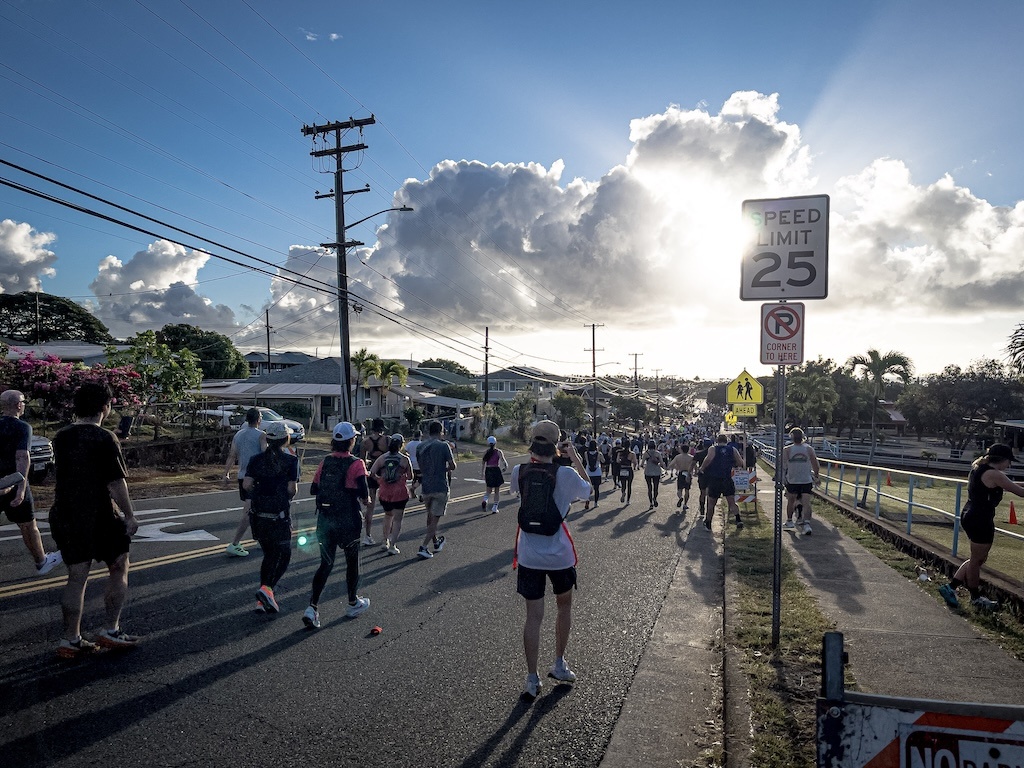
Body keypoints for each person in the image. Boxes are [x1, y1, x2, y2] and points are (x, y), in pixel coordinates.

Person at [49, 383, 139, 658]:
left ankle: (70, 639)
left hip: (65, 511)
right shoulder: (105, 438)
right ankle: (110, 630)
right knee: (119, 565)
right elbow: (115, 482)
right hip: (98, 513)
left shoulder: (61, 436)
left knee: (77, 576)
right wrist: (130, 514)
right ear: (105, 406)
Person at [510, 420, 593, 699]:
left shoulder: (518, 472)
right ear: (557, 443)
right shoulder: (567, 473)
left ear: (532, 441)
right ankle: (558, 663)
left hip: (529, 555)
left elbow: (518, 494)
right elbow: (589, 490)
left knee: (533, 617)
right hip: (559, 556)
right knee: (564, 607)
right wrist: (576, 458)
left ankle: (531, 679)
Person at [938, 443, 1024, 610]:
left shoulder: (982, 469)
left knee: (977, 559)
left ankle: (952, 587)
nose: (1010, 465)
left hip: (971, 514)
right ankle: (975, 597)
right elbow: (1019, 492)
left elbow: (1011, 484)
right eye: (1009, 461)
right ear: (1002, 460)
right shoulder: (994, 474)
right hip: (980, 519)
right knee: (977, 561)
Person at [303, 422, 371, 629]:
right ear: (352, 441)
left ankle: (312, 607)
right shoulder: (357, 463)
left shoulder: (325, 461)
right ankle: (352, 602)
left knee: (326, 563)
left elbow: (314, 489)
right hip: (348, 520)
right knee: (352, 562)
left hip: (325, 519)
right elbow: (365, 494)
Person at [0, 389, 62, 576]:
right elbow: (22, 457)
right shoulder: (22, 427)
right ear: (18, 405)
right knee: (28, 524)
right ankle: (41, 560)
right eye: (23, 401)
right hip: (13, 481)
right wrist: (20, 489)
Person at [243, 421, 299, 614]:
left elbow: (246, 484)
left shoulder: (256, 460)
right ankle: (267, 589)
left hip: (259, 515)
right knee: (284, 555)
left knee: (269, 554)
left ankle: (263, 599)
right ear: (286, 439)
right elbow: (292, 489)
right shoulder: (291, 460)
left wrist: (259, 492)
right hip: (279, 515)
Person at [222, 407, 266, 557]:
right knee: (249, 510)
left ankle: (260, 538)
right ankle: (234, 543)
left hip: (242, 476)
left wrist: (226, 473)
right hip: (255, 478)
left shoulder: (239, 435)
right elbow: (265, 456)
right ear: (258, 419)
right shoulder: (261, 436)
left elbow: (232, 455)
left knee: (256, 509)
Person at [415, 421, 456, 559]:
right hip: (440, 485)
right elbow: (452, 465)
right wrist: (443, 469)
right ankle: (424, 546)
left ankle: (436, 542)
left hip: (426, 485)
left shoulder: (420, 446)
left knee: (430, 516)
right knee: (435, 520)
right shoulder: (443, 445)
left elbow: (421, 466)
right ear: (441, 431)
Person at [370, 434, 412, 554]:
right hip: (400, 493)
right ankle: (393, 545)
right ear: (401, 444)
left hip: (385, 492)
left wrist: (379, 479)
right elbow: (410, 476)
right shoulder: (404, 459)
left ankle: (385, 541)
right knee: (397, 520)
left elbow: (372, 473)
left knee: (388, 516)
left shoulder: (382, 458)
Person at [700, 434, 744, 529]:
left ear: (717, 440)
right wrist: (733, 465)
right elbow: (740, 462)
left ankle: (708, 523)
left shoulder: (713, 448)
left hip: (715, 479)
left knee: (711, 503)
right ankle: (738, 519)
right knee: (731, 502)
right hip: (727, 478)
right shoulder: (732, 449)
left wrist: (702, 468)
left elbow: (708, 459)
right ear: (726, 441)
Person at [782, 427, 820, 535]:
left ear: (791, 437)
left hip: (792, 479)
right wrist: (816, 476)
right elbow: (815, 465)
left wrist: (783, 477)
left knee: (791, 501)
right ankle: (806, 524)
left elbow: (783, 466)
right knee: (806, 502)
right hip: (806, 480)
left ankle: (789, 521)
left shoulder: (787, 450)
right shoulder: (809, 449)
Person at [359, 418, 389, 546]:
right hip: (384, 473)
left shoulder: (365, 441)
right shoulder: (387, 440)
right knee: (388, 507)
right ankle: (386, 538)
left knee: (370, 506)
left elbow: (362, 460)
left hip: (371, 472)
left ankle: (368, 535)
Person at [480, 435, 509, 514]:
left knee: (488, 490)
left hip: (488, 470)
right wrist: (504, 468)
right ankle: (495, 507)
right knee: (497, 490)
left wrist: (482, 474)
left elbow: (483, 463)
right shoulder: (498, 452)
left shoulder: (486, 452)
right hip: (496, 470)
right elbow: (504, 462)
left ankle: (485, 500)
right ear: (495, 443)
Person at [667, 443, 694, 513]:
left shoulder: (678, 457)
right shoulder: (691, 457)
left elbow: (671, 464)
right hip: (688, 474)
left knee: (679, 489)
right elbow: (695, 466)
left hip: (681, 473)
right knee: (687, 490)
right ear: (688, 450)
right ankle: (685, 504)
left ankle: (680, 497)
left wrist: (670, 468)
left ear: (681, 450)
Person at [693, 438, 713, 516]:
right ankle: (709, 508)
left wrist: (691, 472)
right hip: (712, 474)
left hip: (702, 474)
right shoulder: (713, 454)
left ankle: (702, 507)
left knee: (702, 492)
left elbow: (693, 463)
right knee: (710, 494)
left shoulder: (699, 454)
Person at [614, 439, 638, 504]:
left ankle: (623, 492)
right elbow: (635, 462)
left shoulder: (620, 452)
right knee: (629, 485)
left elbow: (617, 461)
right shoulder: (632, 453)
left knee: (623, 484)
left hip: (622, 469)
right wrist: (635, 467)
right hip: (629, 469)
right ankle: (628, 500)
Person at [642, 440, 663, 510]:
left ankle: (650, 503)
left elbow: (642, 464)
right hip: (656, 472)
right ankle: (655, 498)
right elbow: (662, 463)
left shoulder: (646, 453)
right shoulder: (658, 453)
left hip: (648, 472)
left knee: (649, 488)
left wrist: (645, 466)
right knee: (656, 487)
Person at [583, 440, 603, 510]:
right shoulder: (599, 454)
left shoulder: (586, 453)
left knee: (588, 488)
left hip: (588, 473)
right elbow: (603, 460)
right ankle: (595, 503)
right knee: (596, 489)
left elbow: (585, 460)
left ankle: (587, 500)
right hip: (597, 473)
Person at [405, 430, 423, 499]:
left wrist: (409, 455)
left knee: (414, 477)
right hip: (419, 463)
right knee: (422, 479)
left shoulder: (410, 444)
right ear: (420, 436)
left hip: (411, 462)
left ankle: (413, 494)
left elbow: (406, 451)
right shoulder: (421, 444)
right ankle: (413, 488)